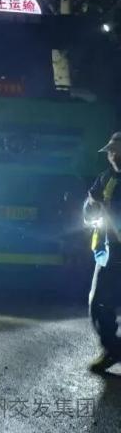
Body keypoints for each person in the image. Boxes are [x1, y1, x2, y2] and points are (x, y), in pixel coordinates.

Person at [84, 131, 121, 373]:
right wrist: (91, 206)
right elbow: (89, 210)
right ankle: (113, 350)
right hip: (109, 253)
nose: (113, 156)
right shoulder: (106, 177)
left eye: (117, 151)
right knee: (98, 304)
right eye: (111, 152)